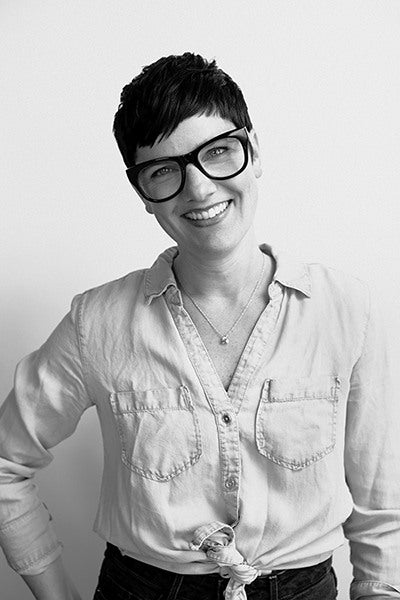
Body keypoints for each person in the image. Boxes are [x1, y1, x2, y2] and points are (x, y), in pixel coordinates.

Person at [0, 52, 399, 600]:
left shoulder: (347, 309)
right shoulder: (96, 323)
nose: (200, 188)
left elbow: (382, 504)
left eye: (217, 152)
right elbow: (5, 463)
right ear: (143, 193)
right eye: (164, 170)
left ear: (253, 152)